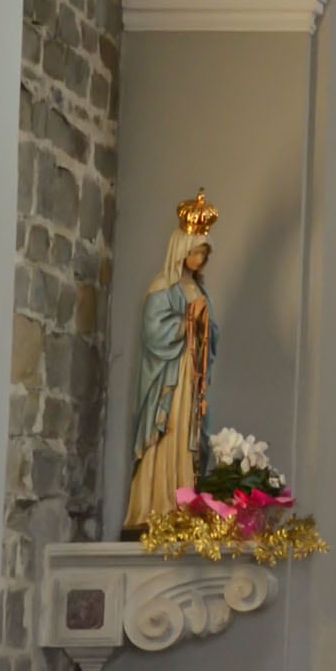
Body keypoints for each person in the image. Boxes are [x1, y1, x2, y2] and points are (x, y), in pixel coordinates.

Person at [124, 192, 219, 531]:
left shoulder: (199, 289)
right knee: (170, 432)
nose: (200, 259)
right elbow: (154, 332)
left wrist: (205, 323)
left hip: (192, 375)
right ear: (181, 249)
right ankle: (159, 504)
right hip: (170, 377)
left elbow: (212, 334)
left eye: (204, 253)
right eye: (196, 252)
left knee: (191, 435)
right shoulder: (162, 286)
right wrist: (188, 320)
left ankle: (186, 503)